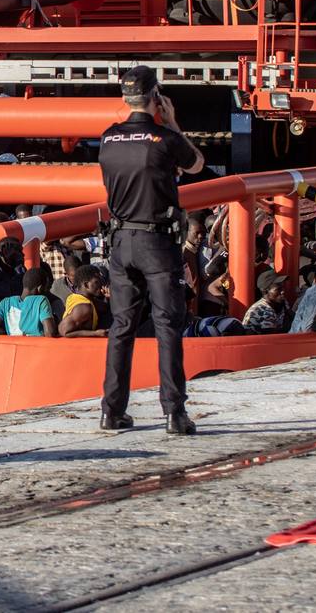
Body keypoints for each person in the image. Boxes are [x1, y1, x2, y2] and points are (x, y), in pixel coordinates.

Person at [97, 65, 204, 436]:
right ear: (155, 97)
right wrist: (173, 121)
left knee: (121, 327)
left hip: (120, 240)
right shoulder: (163, 139)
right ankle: (174, 413)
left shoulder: (108, 139)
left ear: (124, 98)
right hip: (156, 242)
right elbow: (197, 164)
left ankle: (111, 411)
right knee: (167, 326)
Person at [0, 268, 58, 337]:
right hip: (36, 346)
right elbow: (50, 333)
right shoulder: (41, 300)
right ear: (40, 288)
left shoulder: (5, 303)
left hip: (13, 346)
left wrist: (9, 337)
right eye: (46, 288)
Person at [60, 265, 109, 338]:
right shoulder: (84, 307)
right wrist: (95, 333)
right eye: (97, 282)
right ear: (86, 285)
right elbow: (63, 330)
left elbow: (105, 308)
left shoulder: (87, 299)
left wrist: (108, 298)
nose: (101, 284)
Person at [243, 270, 289, 334]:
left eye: (283, 288)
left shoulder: (282, 303)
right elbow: (272, 338)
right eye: (278, 289)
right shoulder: (262, 309)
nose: (283, 291)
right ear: (265, 291)